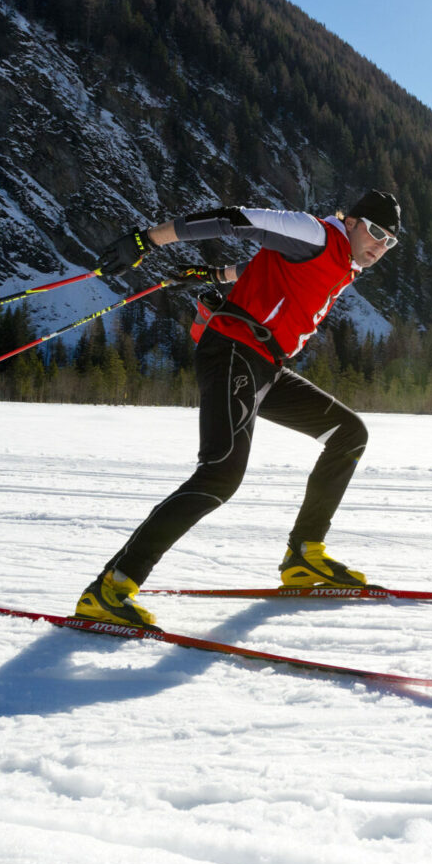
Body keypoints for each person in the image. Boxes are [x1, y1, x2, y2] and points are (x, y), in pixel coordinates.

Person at [75, 190, 403, 627]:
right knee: (220, 474)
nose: (380, 246)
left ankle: (305, 556)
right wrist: (148, 240)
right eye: (377, 232)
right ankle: (112, 587)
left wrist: (212, 274)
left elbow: (260, 267)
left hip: (265, 365)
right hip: (234, 350)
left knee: (349, 434)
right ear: (352, 222)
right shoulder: (316, 234)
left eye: (390, 242)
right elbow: (234, 219)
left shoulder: (341, 264)